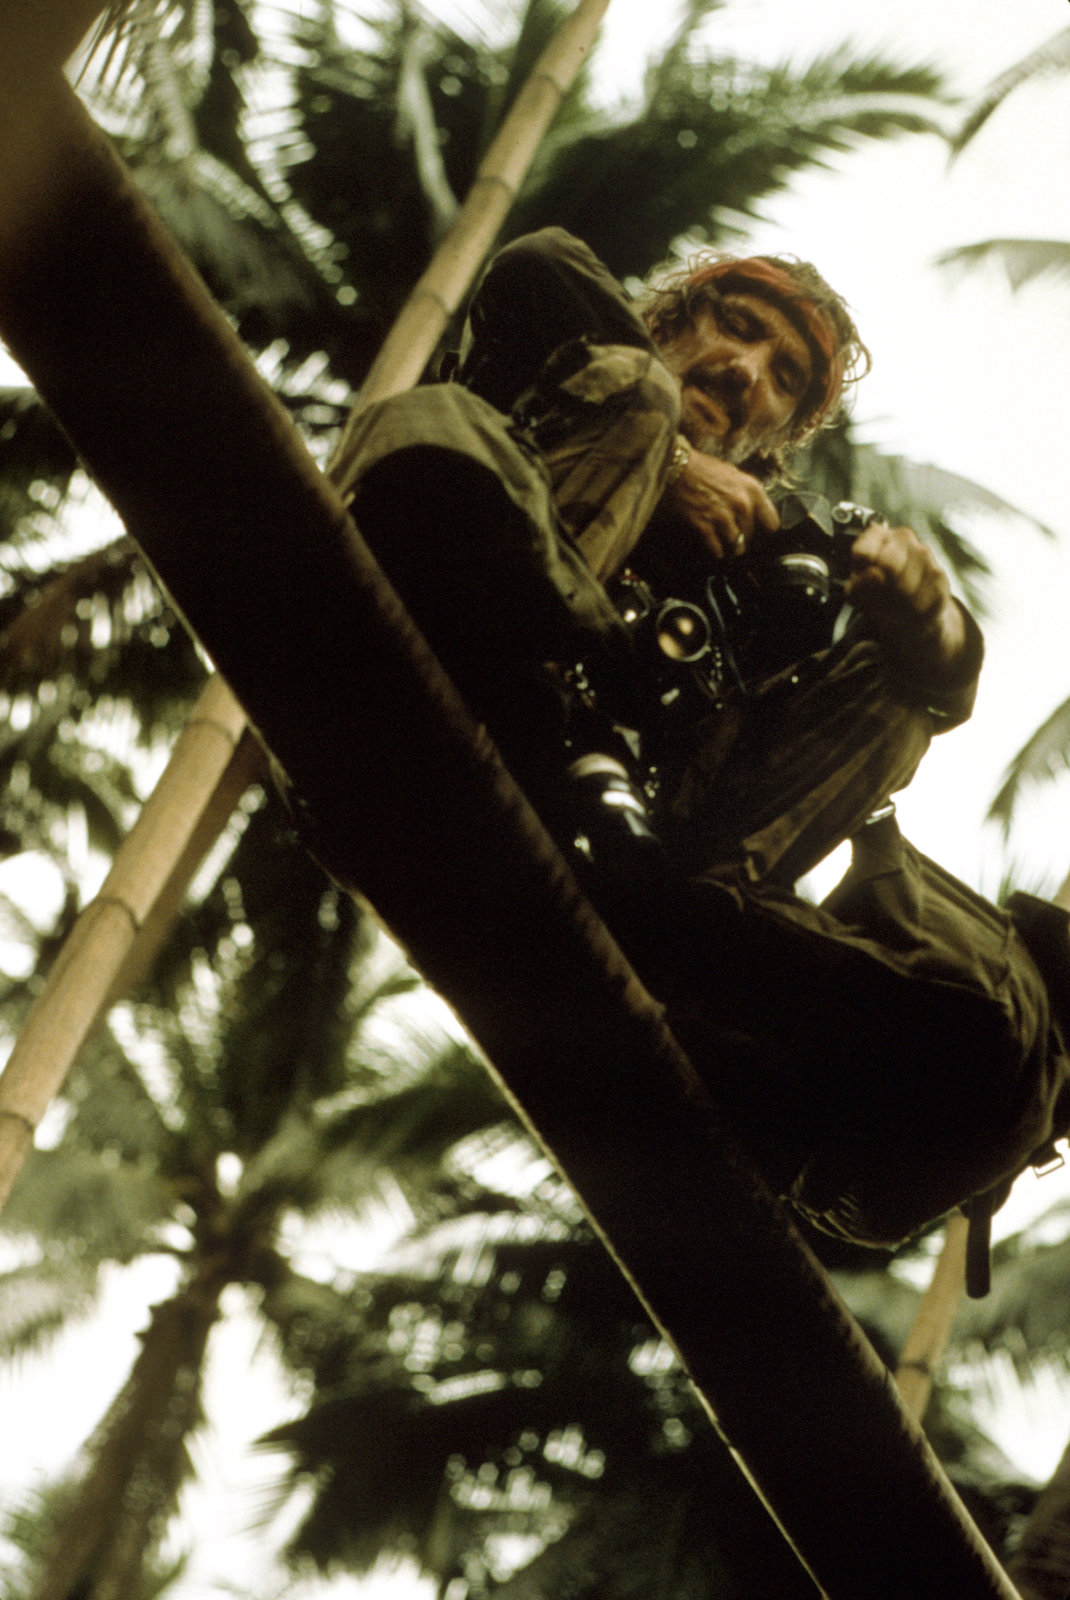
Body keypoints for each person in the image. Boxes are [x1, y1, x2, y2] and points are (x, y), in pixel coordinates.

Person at [331, 228, 1070, 1290]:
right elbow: (534, 265)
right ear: (675, 315)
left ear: (786, 429)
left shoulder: (787, 545)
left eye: (785, 375)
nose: (744, 370)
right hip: (444, 662)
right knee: (635, 395)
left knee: (898, 670)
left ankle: (687, 913)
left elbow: (946, 684)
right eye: (735, 327)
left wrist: (928, 615)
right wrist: (674, 463)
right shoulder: (578, 372)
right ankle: (554, 715)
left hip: (630, 833)